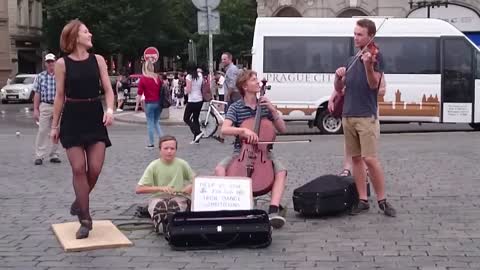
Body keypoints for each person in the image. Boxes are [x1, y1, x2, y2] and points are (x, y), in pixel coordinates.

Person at [50, 19, 115, 239]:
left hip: (94, 115)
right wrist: (54, 126)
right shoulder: (62, 64)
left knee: (94, 169)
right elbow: (59, 96)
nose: (90, 35)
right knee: (78, 168)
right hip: (72, 118)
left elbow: (108, 89)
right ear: (75, 37)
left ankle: (79, 201)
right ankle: (85, 219)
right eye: (86, 32)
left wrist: (110, 110)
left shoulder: (98, 60)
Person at [334, 18, 396, 217]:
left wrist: (369, 66)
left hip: (366, 116)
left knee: (370, 158)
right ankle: (362, 200)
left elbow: (373, 85)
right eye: (354, 33)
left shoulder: (376, 57)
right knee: (356, 159)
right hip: (348, 115)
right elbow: (340, 89)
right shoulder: (351, 60)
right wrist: (337, 77)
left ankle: (382, 200)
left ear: (370, 36)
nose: (355, 37)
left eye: (359, 34)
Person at [214, 70, 288, 229]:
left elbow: (282, 128)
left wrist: (273, 110)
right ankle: (232, 206)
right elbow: (224, 130)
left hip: (264, 152)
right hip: (240, 151)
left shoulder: (265, 106)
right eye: (254, 80)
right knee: (220, 168)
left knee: (281, 171)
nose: (258, 82)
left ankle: (273, 210)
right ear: (245, 86)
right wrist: (243, 131)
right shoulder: (236, 107)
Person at [328, 77, 386, 177]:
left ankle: (367, 168)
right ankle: (347, 168)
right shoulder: (351, 66)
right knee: (349, 143)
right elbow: (340, 87)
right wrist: (332, 98)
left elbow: (382, 91)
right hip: (351, 111)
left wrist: (364, 90)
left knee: (368, 142)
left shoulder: (375, 67)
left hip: (368, 112)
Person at [136, 135, 194, 233]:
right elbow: (139, 189)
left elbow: (197, 180)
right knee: (160, 205)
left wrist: (191, 186)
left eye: (172, 148)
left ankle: (174, 222)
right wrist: (160, 188)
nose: (169, 151)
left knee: (173, 204)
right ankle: (161, 223)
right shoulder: (153, 165)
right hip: (158, 197)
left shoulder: (182, 164)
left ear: (176, 150)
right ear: (160, 150)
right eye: (166, 148)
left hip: (178, 197)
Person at [33, 53, 61, 166]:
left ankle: (54, 154)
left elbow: (64, 92)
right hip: (45, 105)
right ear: (45, 64)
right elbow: (37, 93)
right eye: (48, 62)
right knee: (42, 130)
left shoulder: (60, 75)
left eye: (52, 61)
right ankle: (39, 156)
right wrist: (35, 109)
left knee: (57, 130)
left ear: (55, 62)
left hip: (58, 106)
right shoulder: (40, 76)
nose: (50, 64)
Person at [137, 61, 163, 149]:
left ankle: (151, 144)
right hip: (159, 103)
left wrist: (137, 106)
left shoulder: (143, 79)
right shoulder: (157, 78)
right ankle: (162, 140)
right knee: (156, 122)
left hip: (149, 103)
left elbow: (139, 94)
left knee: (150, 123)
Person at [183, 62, 204, 144]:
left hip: (192, 100)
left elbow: (189, 90)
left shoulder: (189, 76)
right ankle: (196, 139)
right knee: (195, 118)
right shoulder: (200, 75)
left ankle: (198, 132)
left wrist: (184, 90)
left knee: (186, 118)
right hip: (199, 99)